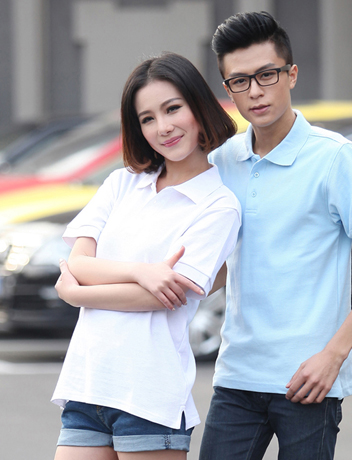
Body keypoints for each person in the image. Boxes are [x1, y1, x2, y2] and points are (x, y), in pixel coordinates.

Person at [198, 11, 352, 460]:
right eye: (239, 81)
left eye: (266, 75)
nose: (255, 91)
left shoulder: (335, 158)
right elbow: (222, 263)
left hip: (310, 379)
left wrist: (334, 355)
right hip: (237, 376)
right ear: (228, 89)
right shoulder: (222, 161)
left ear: (291, 74)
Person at [51, 52, 241, 460]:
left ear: (199, 106)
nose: (163, 127)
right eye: (147, 118)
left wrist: (76, 294)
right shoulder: (122, 183)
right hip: (88, 385)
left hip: (149, 395)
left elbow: (162, 297)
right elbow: (79, 264)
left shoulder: (219, 205)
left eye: (173, 108)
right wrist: (142, 271)